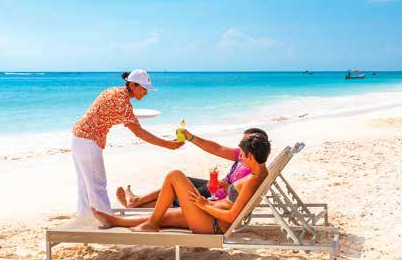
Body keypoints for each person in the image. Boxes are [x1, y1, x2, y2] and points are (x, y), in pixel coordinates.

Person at [91, 132, 271, 234]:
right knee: (167, 215)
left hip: (213, 223)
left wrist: (204, 205)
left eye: (243, 155)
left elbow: (232, 216)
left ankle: (150, 223)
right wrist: (208, 203)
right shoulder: (261, 173)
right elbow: (231, 207)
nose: (241, 157)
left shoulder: (252, 181)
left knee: (175, 175)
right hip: (212, 213)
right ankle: (114, 220)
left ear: (249, 156)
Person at [71, 69, 183, 220]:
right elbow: (139, 132)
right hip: (89, 142)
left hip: (78, 138)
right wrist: (168, 144)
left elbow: (112, 113)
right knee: (97, 186)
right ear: (132, 85)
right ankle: (107, 222)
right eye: (143, 89)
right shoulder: (123, 104)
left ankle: (85, 220)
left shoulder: (113, 92)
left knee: (85, 186)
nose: (146, 93)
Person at [115, 128, 269, 208]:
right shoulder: (243, 155)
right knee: (183, 181)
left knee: (176, 196)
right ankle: (137, 201)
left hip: (217, 195)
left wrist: (226, 186)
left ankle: (136, 203)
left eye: (243, 142)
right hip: (215, 187)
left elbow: (239, 194)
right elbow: (216, 148)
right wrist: (190, 137)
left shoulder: (252, 168)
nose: (239, 145)